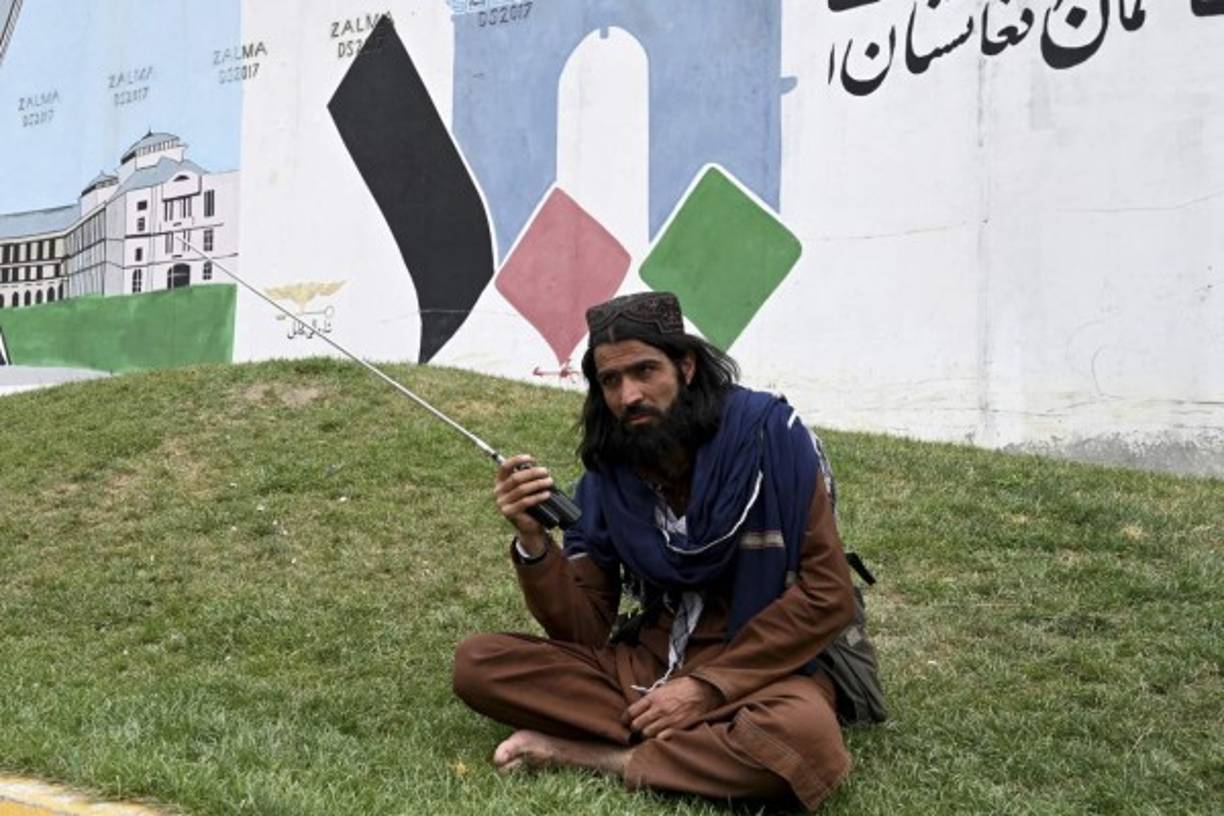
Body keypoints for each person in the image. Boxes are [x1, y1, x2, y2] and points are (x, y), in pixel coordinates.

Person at [452, 291, 884, 811]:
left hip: (762, 671)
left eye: (644, 371)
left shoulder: (772, 442)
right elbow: (585, 629)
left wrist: (706, 689)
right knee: (479, 663)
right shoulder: (608, 477)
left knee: (805, 739)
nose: (628, 395)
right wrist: (533, 541)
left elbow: (828, 596)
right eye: (610, 381)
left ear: (686, 366)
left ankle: (589, 754)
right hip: (650, 666)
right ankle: (705, 745)